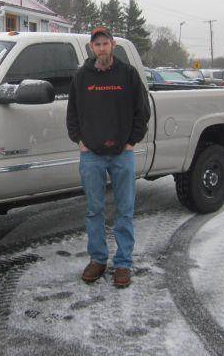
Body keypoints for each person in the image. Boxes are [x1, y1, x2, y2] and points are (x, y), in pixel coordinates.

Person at [66, 26, 150, 288]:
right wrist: (79, 140)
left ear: (113, 45)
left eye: (105, 43)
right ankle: (98, 260)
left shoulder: (128, 74)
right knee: (95, 210)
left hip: (121, 155)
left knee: (124, 210)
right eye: (97, 44)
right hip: (91, 155)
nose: (101, 48)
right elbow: (72, 113)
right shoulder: (82, 77)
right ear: (91, 48)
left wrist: (131, 141)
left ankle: (123, 263)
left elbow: (142, 111)